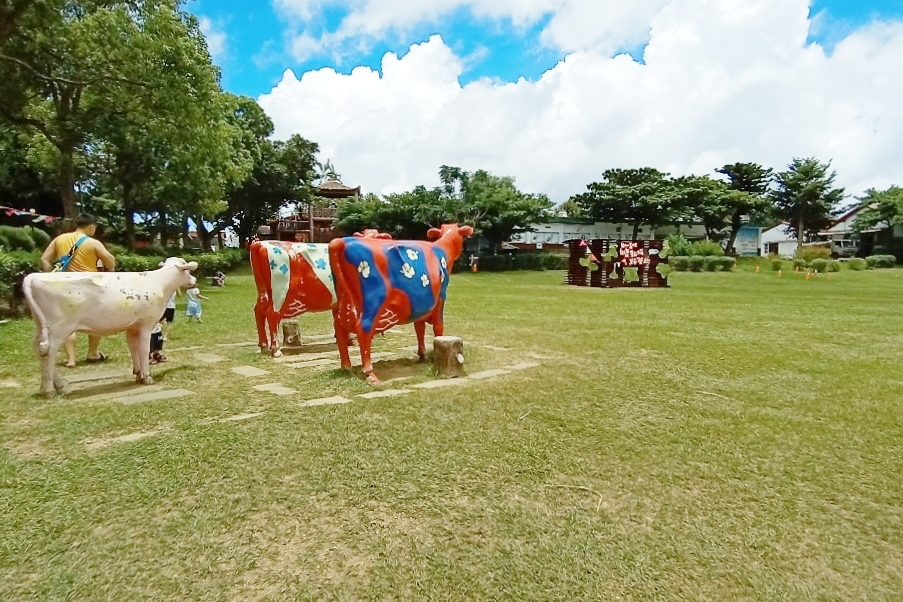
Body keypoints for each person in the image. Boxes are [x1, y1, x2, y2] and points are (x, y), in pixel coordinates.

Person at [39, 214, 116, 367]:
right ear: (91, 226)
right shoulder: (93, 243)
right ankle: (92, 353)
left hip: (65, 285)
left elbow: (44, 259)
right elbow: (110, 261)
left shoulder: (59, 239)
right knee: (94, 321)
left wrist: (50, 275)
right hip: (88, 286)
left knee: (68, 322)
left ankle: (71, 359)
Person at [157, 261, 180, 340]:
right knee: (169, 321)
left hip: (162, 305)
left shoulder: (160, 281)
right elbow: (180, 295)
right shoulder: (174, 282)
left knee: (160, 320)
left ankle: (161, 334)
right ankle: (165, 335)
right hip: (171, 305)